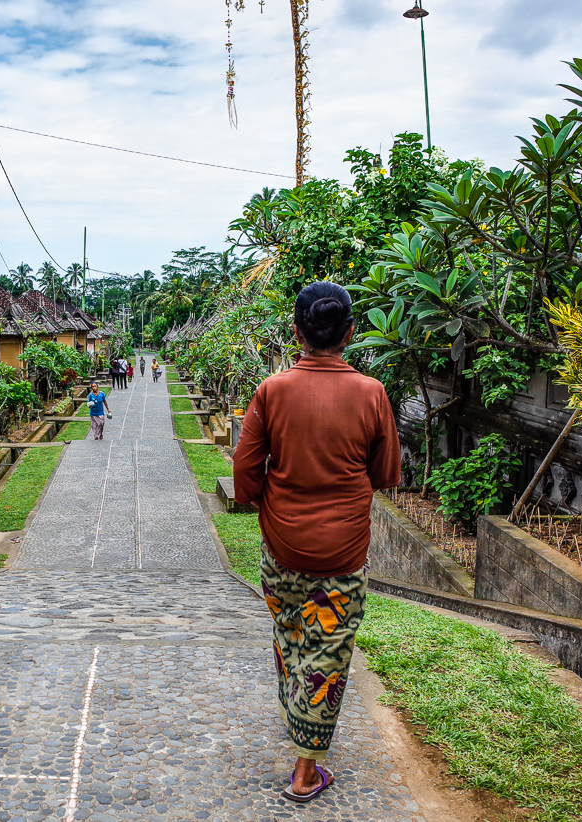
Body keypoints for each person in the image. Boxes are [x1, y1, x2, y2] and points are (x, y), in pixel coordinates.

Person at [232, 282, 400, 804]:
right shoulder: (371, 394)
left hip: (281, 550)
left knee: (287, 632)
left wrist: (264, 503)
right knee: (326, 650)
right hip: (342, 558)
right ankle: (306, 769)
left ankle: (298, 723)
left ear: (296, 332)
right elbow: (387, 473)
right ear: (350, 333)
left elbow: (244, 470)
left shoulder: (272, 391)